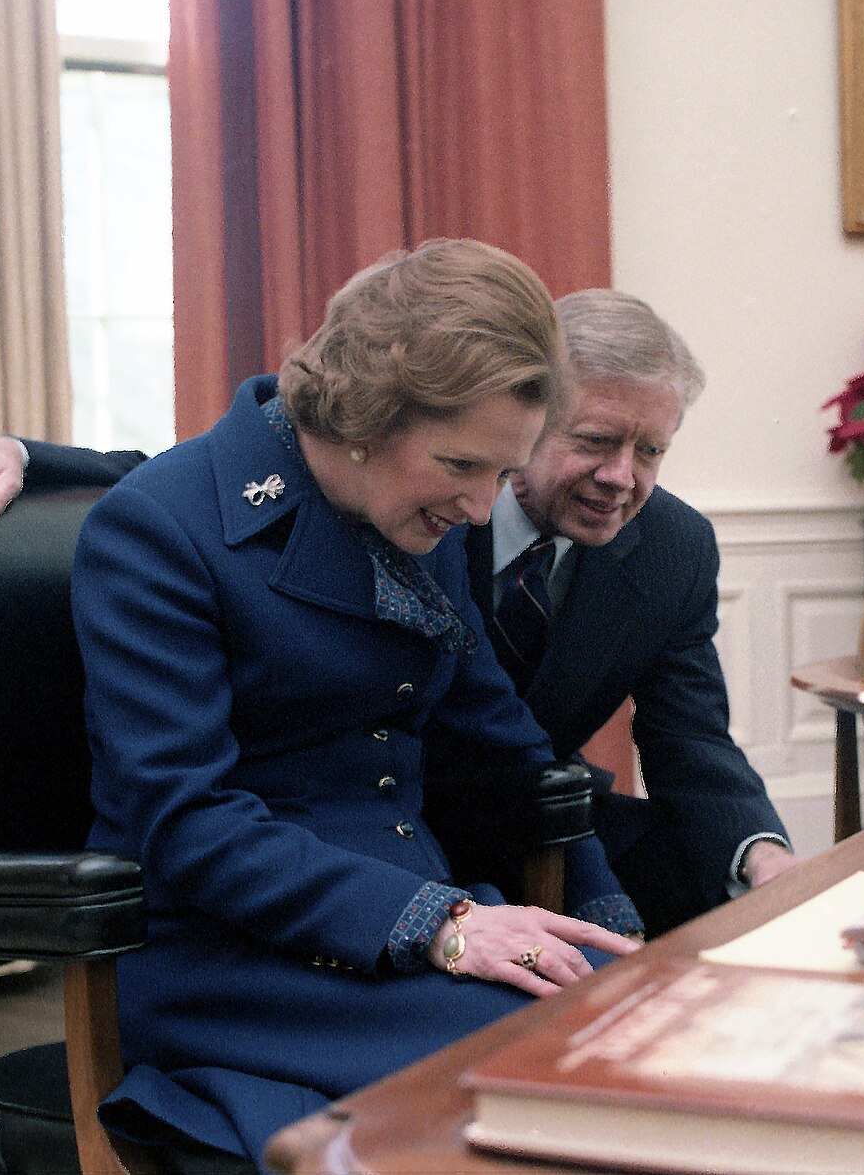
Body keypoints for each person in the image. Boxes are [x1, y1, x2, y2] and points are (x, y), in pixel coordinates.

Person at [0, 293, 799, 937]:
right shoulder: (394, 476)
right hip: (357, 835)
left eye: (652, 451)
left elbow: (691, 742)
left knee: (682, 904)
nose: (622, 477)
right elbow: (221, 489)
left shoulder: (670, 546)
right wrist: (24, 452)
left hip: (511, 807)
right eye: (596, 440)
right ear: (519, 415)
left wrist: (764, 863)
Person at [52, 239, 639, 1166]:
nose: (484, 508)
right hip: (230, 960)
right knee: (568, 1075)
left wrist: (606, 914)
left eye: (501, 471)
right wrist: (438, 925)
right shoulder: (158, 528)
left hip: (417, 927)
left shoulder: (415, 504)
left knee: (644, 1016)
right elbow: (188, 820)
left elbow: (500, 741)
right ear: (368, 415)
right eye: (462, 465)